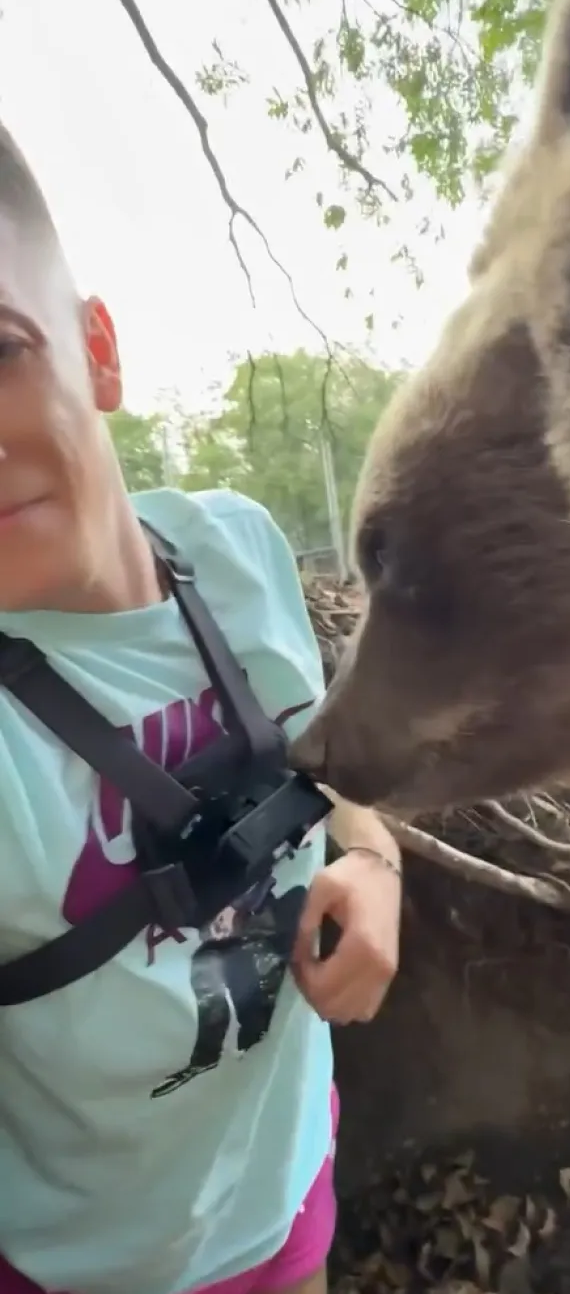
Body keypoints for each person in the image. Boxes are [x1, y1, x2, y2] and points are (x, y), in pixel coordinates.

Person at [0, 120, 402, 1294]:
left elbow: (341, 790)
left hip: (288, 1199)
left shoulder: (240, 548)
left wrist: (373, 865)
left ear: (99, 351)